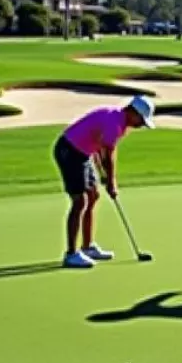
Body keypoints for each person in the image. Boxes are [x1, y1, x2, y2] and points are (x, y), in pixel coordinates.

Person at [53, 96, 155, 268]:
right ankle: (71, 255)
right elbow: (109, 154)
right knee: (80, 202)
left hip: (83, 153)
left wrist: (102, 175)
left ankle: (87, 247)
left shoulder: (118, 121)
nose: (140, 125)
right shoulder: (114, 122)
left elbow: (99, 147)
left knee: (93, 196)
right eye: (141, 120)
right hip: (69, 151)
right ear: (133, 112)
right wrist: (112, 181)